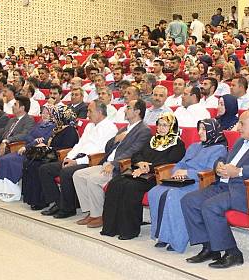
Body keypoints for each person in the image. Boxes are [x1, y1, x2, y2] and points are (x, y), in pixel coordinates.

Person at [180, 111, 249, 268]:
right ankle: (210, 248)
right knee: (189, 201)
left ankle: (233, 253)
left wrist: (239, 171)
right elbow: (224, 159)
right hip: (223, 185)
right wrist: (218, 165)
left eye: (242, 124)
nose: (238, 127)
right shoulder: (241, 141)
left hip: (245, 190)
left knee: (210, 206)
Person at [147, 119, 228, 253]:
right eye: (199, 129)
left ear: (213, 131)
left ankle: (177, 240)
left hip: (199, 183)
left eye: (204, 129)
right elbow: (180, 163)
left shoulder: (219, 150)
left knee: (173, 196)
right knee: (154, 192)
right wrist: (176, 172)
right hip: (182, 180)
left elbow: (211, 171)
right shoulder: (194, 146)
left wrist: (187, 173)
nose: (200, 132)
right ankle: (162, 235)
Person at [101, 113, 186, 240]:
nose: (161, 128)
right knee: (115, 183)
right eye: (159, 125)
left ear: (172, 127)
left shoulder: (177, 144)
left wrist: (147, 168)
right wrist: (140, 163)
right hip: (138, 171)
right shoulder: (152, 139)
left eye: (165, 125)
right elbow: (136, 154)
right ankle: (111, 227)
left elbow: (170, 162)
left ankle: (129, 231)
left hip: (155, 176)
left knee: (130, 187)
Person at [72, 100, 152, 228]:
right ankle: (92, 212)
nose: (125, 110)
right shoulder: (124, 128)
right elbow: (108, 146)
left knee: (93, 180)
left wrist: (114, 163)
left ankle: (99, 215)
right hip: (106, 162)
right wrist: (116, 138)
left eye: (128, 108)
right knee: (78, 175)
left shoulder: (144, 130)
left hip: (119, 167)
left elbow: (134, 151)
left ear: (137, 111)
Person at [39, 100, 118, 219]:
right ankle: (58, 203)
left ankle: (68, 208)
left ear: (100, 112)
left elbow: (100, 152)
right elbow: (79, 144)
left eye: (90, 111)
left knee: (66, 172)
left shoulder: (109, 128)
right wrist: (69, 157)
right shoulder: (90, 125)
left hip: (90, 161)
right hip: (77, 157)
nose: (88, 114)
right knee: (45, 169)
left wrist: (76, 162)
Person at [20, 105, 80, 210]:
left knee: (38, 165)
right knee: (29, 162)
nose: (53, 118)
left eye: (56, 116)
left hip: (59, 156)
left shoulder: (70, 130)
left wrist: (49, 148)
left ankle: (42, 200)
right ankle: (33, 198)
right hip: (52, 153)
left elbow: (66, 148)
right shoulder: (58, 128)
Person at [0, 106, 57, 202]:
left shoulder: (53, 127)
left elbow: (44, 141)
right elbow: (28, 136)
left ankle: (14, 192)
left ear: (53, 115)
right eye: (43, 112)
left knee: (11, 161)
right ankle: (4, 191)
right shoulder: (39, 124)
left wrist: (29, 144)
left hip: (36, 153)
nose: (44, 115)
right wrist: (33, 141)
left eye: (47, 113)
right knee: (4, 159)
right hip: (27, 148)